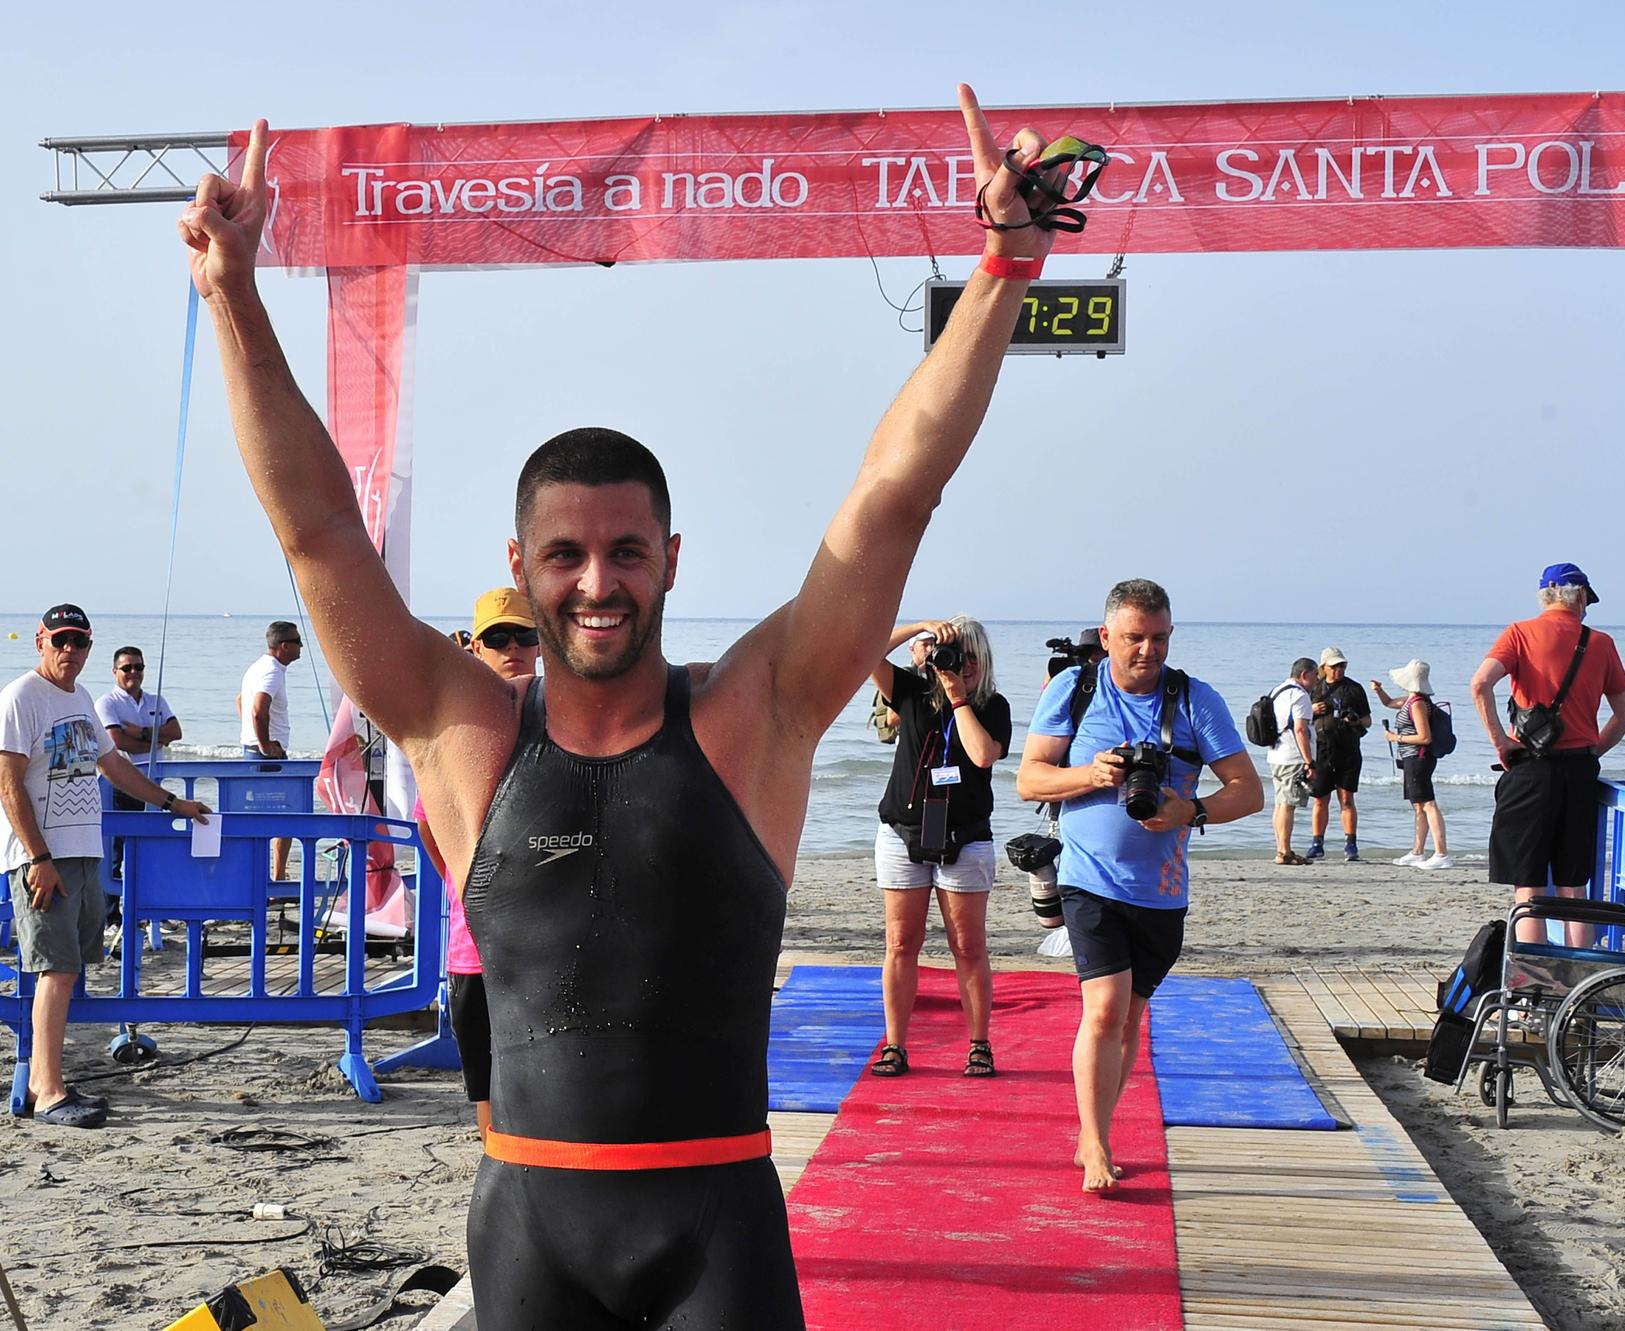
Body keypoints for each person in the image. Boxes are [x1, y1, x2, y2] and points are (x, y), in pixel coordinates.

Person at [179, 85, 1057, 1327]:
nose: (597, 583)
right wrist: (233, 293)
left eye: (626, 551)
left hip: (716, 1228)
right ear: (523, 562)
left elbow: (888, 499)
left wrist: (1002, 271)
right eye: (566, 554)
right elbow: (317, 526)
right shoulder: (463, 729)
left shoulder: (752, 718)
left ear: (670, 558)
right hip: (532, 1224)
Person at [1016, 579, 1261, 1194]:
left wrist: (1193, 811)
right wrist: (1090, 774)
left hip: (1161, 891)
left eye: (1157, 638)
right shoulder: (1072, 691)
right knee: (1102, 1010)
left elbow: (1249, 791)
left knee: (1128, 1020)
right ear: (1106, 638)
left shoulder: (1195, 701)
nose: (1146, 651)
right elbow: (1029, 779)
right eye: (1133, 638)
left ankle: (1093, 1128)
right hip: (1086, 879)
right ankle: (1095, 1143)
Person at [0, 605, 210, 1128]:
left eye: (79, 642)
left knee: (70, 968)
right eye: (60, 640)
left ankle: (47, 1078)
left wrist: (169, 802)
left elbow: (113, 765)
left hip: (83, 851)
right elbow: (8, 784)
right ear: (40, 640)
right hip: (43, 858)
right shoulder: (20, 698)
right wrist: (38, 858)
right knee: (55, 968)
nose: (70, 651)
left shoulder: (81, 698)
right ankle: (46, 1090)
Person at [417, 587, 542, 1139]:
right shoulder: (462, 731)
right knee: (490, 1099)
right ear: (476, 648)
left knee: (552, 1092)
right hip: (477, 947)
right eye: (499, 637)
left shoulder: (560, 721)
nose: (513, 647)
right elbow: (428, 821)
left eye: (525, 635)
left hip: (549, 946)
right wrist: (464, 882)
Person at [868, 617, 1011, 1079]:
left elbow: (982, 755)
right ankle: (895, 1045)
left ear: (982, 660)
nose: (960, 664)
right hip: (902, 832)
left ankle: (979, 1044)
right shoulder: (909, 691)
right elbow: (864, 652)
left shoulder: (992, 705)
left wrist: (958, 698)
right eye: (952, 654)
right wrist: (918, 629)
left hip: (965, 836)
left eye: (969, 656)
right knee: (900, 942)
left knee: (967, 945)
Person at [1471, 563, 1625, 944]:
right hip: (1578, 773)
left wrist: (1500, 740)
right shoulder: (1601, 643)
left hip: (1528, 769)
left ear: (1545, 596)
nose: (1587, 609)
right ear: (1578, 595)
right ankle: (1582, 988)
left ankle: (1533, 990)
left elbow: (1480, 684)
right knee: (1574, 888)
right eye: (1587, 601)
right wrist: (1591, 750)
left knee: (1529, 891)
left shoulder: (1519, 634)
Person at [96, 647, 183, 880]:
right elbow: (117, 742)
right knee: (116, 850)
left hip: (154, 784)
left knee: (151, 847)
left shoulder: (157, 700)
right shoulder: (107, 703)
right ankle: (112, 914)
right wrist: (157, 741)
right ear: (115, 671)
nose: (133, 672)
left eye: (139, 667)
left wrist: (141, 732)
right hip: (120, 784)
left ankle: (148, 910)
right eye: (127, 668)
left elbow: (176, 732)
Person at [239, 620, 303, 880]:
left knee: (265, 818)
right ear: (284, 646)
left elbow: (240, 701)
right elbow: (257, 708)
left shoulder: (259, 667)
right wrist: (264, 744)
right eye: (297, 641)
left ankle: (269, 875)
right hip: (266, 756)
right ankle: (276, 877)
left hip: (253, 750)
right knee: (285, 817)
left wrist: (249, 734)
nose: (301, 647)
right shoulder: (272, 671)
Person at [1373, 660, 1451, 869]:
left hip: (1420, 757)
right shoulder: (1413, 700)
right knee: (1418, 805)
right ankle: (1418, 851)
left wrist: (1395, 737)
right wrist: (1379, 691)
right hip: (1412, 758)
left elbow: (1424, 737)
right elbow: (1389, 703)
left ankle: (1441, 854)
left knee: (1428, 803)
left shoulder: (1417, 704)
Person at [1307, 646, 1371, 862]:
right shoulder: (1313, 689)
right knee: (1320, 799)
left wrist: (1354, 721)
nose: (1339, 670)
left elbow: (1367, 721)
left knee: (1347, 798)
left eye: (1342, 665)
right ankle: (1317, 843)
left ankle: (1351, 844)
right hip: (1321, 749)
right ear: (1324, 667)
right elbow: (1297, 717)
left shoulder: (1354, 689)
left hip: (1348, 749)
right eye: (1334, 666)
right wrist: (1313, 710)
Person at [1264, 657, 1318, 867]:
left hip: (1276, 754)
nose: (1316, 682)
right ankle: (1284, 851)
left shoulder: (1278, 691)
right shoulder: (1300, 696)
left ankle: (1281, 847)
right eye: (1315, 676)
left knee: (1280, 804)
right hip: (1292, 756)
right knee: (1287, 805)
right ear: (1304, 675)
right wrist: (1309, 761)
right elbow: (1300, 729)